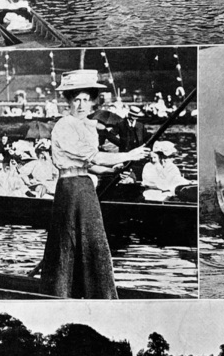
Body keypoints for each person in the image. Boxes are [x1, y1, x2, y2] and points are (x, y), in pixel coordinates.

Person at [39, 70, 149, 298]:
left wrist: (115, 168)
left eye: (86, 99)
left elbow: (92, 165)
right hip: (70, 189)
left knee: (94, 241)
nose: (81, 104)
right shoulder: (65, 125)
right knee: (67, 242)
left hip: (86, 187)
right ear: (68, 101)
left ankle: (96, 292)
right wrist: (131, 154)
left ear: (93, 102)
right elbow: (94, 157)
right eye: (76, 99)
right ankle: (62, 291)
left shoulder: (88, 127)